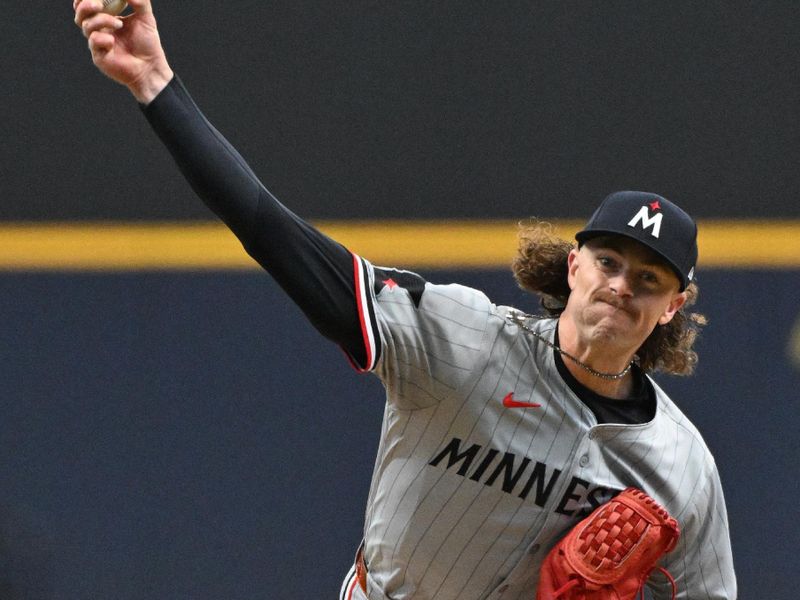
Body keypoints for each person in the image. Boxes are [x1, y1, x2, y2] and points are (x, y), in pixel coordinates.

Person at [74, 1, 737, 598]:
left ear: (674, 304)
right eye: (608, 261)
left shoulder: (683, 467)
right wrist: (155, 84)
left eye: (648, 279)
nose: (622, 286)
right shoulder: (464, 342)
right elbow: (276, 236)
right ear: (573, 265)